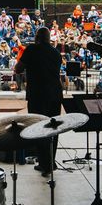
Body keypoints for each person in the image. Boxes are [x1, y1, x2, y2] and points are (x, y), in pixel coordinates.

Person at [13, 26, 64, 175]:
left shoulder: (32, 49)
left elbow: (18, 69)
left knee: (39, 127)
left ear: (37, 38)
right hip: (55, 94)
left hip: (38, 94)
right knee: (53, 128)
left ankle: (44, 164)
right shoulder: (56, 52)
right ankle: (51, 162)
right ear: (49, 38)